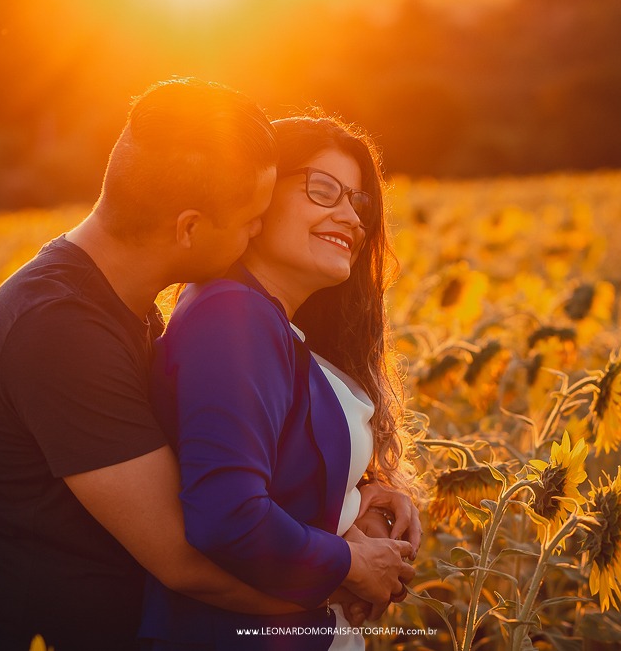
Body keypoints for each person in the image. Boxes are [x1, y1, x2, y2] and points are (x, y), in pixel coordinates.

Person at [0, 79, 414, 651]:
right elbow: (188, 558)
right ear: (190, 228)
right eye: (252, 217)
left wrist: (350, 502)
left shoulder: (118, 306)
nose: (256, 230)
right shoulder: (59, 332)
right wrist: (345, 575)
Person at [139, 115, 423, 650]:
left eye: (360, 202)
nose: (352, 218)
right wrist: (352, 564)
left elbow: (273, 479)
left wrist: (355, 495)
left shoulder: (270, 324)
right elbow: (227, 514)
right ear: (260, 195)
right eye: (323, 190)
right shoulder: (232, 318)